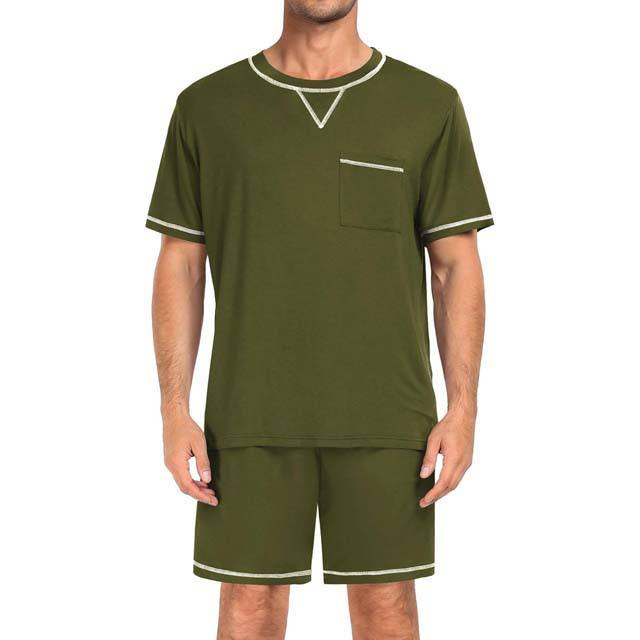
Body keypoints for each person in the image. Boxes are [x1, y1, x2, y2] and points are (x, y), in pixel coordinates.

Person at [148, 1, 492, 637]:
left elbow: (455, 266)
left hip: (388, 418)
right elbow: (181, 265)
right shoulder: (207, 107)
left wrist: (463, 407)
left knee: (386, 606)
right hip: (249, 415)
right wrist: (174, 409)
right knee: (248, 606)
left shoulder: (428, 105)